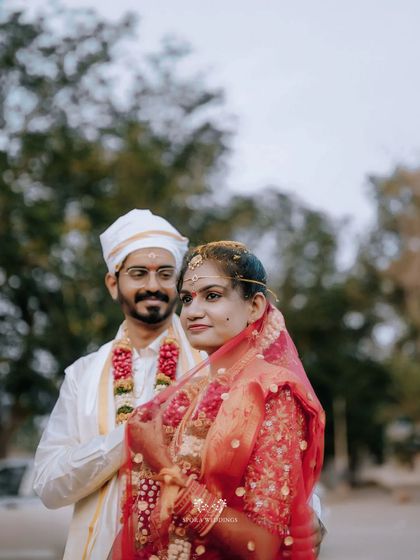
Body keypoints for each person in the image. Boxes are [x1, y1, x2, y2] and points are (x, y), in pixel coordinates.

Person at [112, 241, 325, 560]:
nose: (193, 311)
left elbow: (261, 545)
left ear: (254, 306)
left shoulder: (273, 392)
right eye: (186, 299)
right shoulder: (185, 396)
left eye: (212, 295)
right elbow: (145, 521)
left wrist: (164, 466)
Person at [33, 209, 204, 560]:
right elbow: (49, 485)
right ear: (114, 283)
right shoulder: (83, 374)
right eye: (139, 273)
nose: (153, 286)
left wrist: (311, 513)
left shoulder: (212, 363)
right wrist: (125, 440)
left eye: (165, 274)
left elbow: (258, 453)